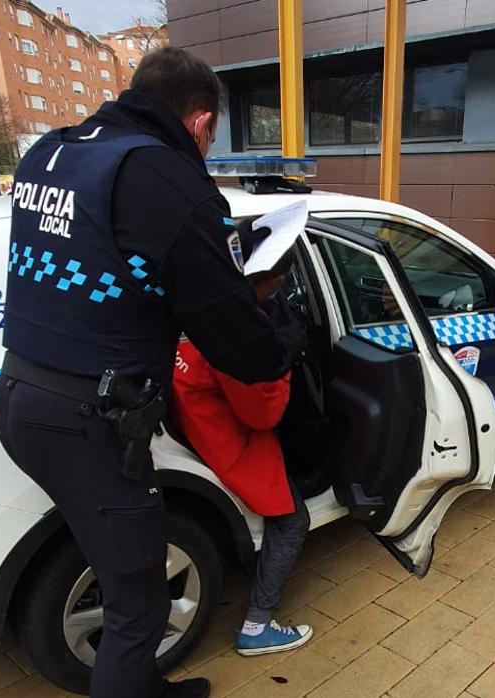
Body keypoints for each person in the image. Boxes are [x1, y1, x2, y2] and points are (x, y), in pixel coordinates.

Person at [0, 47, 303, 698]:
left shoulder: (52, 151)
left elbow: (102, 267)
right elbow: (237, 346)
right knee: (139, 606)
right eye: (212, 136)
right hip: (89, 420)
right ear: (199, 121)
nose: (207, 148)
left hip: (20, 395)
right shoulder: (165, 178)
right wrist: (280, 344)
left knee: (125, 567)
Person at [171, 241, 314, 657]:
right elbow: (263, 417)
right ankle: (258, 624)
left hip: (191, 420)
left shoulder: (200, 298)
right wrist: (283, 363)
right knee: (292, 520)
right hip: (225, 439)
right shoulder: (236, 338)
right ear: (275, 281)